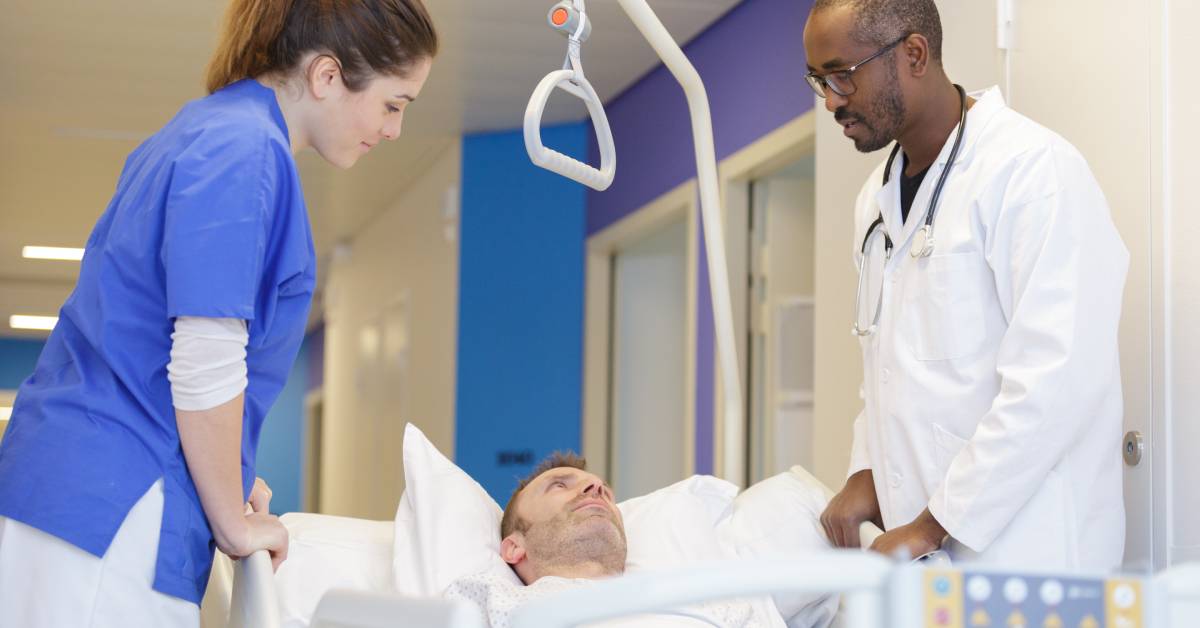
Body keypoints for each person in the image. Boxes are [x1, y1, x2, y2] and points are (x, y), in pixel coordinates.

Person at [0, 1, 437, 625]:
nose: (394, 130)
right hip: (116, 504)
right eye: (394, 104)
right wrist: (232, 522)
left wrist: (231, 476)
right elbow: (205, 358)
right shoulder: (245, 152)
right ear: (327, 76)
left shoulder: (208, 131)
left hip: (79, 492)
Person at [804, 0, 1127, 571]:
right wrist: (866, 472)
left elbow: (1057, 379)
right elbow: (890, 370)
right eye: (819, 81)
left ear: (914, 54)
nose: (831, 100)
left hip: (1032, 556)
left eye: (842, 75)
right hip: (927, 557)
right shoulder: (874, 202)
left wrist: (933, 524)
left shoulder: (1032, 171)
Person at [444, 453, 787, 628]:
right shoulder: (493, 597)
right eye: (560, 485)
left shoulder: (705, 600)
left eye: (603, 490)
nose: (595, 489)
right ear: (514, 547)